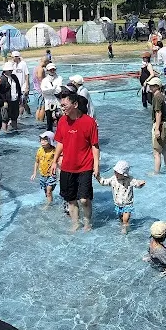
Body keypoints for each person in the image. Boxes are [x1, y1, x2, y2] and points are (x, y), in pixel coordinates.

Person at [50, 91, 100, 232]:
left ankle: (87, 222)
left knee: (84, 199)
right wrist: (54, 161)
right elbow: (60, 142)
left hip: (85, 165)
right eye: (61, 105)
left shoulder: (89, 122)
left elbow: (94, 145)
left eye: (65, 105)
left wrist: (96, 165)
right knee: (70, 199)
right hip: (67, 166)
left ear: (75, 104)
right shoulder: (62, 121)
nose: (62, 108)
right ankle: (75, 223)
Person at [95, 160, 146, 234]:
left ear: (124, 174)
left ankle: (125, 229)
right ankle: (124, 226)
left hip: (127, 204)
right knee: (121, 219)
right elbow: (104, 182)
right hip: (118, 204)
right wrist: (98, 177)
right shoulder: (113, 179)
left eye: (118, 173)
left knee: (125, 219)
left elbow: (136, 184)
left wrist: (141, 183)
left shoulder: (130, 179)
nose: (116, 174)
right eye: (115, 172)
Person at [146, 76, 166, 174]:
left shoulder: (156, 97)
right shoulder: (162, 95)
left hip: (160, 125)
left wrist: (156, 129)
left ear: (157, 86)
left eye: (152, 86)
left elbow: (158, 113)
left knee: (156, 152)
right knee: (165, 149)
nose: (150, 87)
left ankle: (156, 173)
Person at [31, 131, 57, 206]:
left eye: (45, 140)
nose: (42, 142)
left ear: (50, 141)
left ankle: (47, 206)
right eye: (41, 140)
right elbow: (37, 162)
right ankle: (50, 202)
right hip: (43, 175)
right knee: (46, 192)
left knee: (48, 191)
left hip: (51, 175)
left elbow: (58, 163)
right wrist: (34, 173)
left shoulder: (54, 151)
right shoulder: (39, 150)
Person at [0, 62, 22, 132]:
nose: (11, 71)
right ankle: (5, 131)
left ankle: (15, 129)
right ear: (5, 70)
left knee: (14, 116)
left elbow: (18, 87)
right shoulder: (2, 79)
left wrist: (20, 97)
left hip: (15, 99)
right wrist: (4, 101)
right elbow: (1, 92)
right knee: (5, 118)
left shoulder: (14, 77)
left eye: (11, 70)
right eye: (9, 70)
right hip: (7, 101)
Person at [41, 63, 63, 132]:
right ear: (47, 70)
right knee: (49, 122)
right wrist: (53, 89)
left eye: (53, 69)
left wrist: (50, 90)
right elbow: (43, 90)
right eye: (51, 70)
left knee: (60, 120)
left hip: (58, 102)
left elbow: (59, 90)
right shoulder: (44, 80)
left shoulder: (59, 78)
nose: (52, 71)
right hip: (48, 102)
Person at [11, 51, 31, 116]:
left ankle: (19, 117)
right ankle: (29, 113)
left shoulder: (23, 64)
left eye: (13, 57)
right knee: (23, 103)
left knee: (21, 103)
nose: (12, 59)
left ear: (17, 57)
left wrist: (27, 86)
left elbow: (27, 75)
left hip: (23, 86)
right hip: (15, 87)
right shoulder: (12, 65)